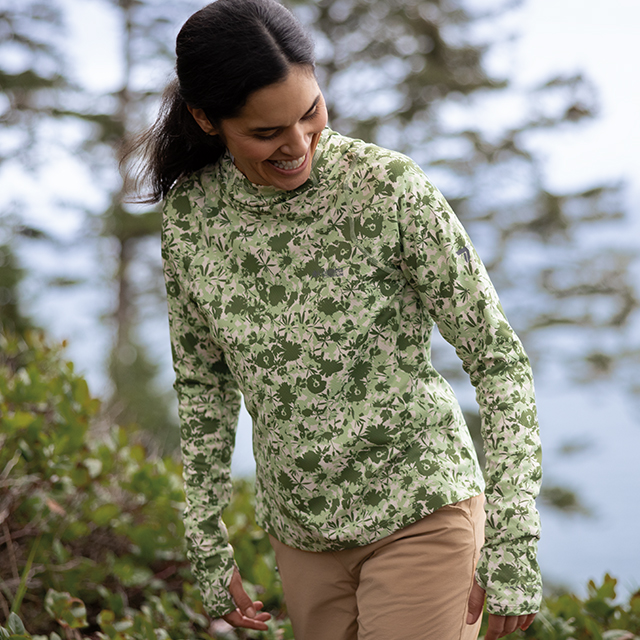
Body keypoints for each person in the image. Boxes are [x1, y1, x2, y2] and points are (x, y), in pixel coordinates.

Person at [126, 0, 542, 638]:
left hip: (421, 510)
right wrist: (206, 538)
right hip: (302, 536)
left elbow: (499, 361)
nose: (298, 145)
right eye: (267, 133)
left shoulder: (389, 190)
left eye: (311, 112)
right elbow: (204, 384)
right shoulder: (192, 216)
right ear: (207, 119)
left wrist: (513, 542)